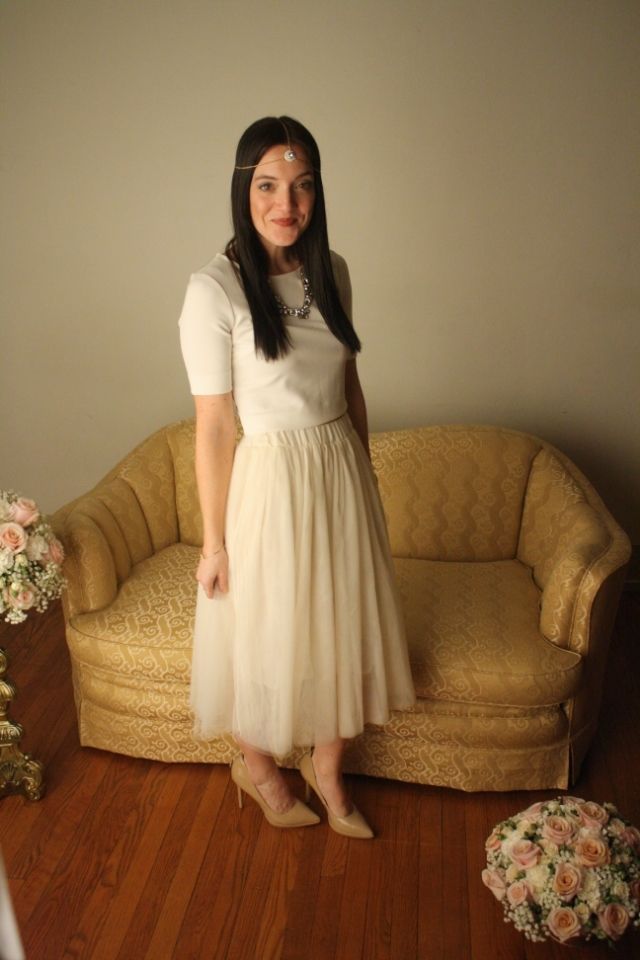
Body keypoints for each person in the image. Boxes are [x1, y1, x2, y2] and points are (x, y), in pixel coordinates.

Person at [179, 116, 415, 839]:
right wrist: (214, 542)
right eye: (268, 185)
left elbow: (351, 387)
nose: (287, 203)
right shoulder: (213, 290)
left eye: (302, 185)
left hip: (339, 472)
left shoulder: (333, 271)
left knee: (342, 629)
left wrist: (366, 481)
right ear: (242, 190)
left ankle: (328, 768)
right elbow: (214, 425)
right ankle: (258, 770)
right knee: (264, 636)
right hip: (270, 485)